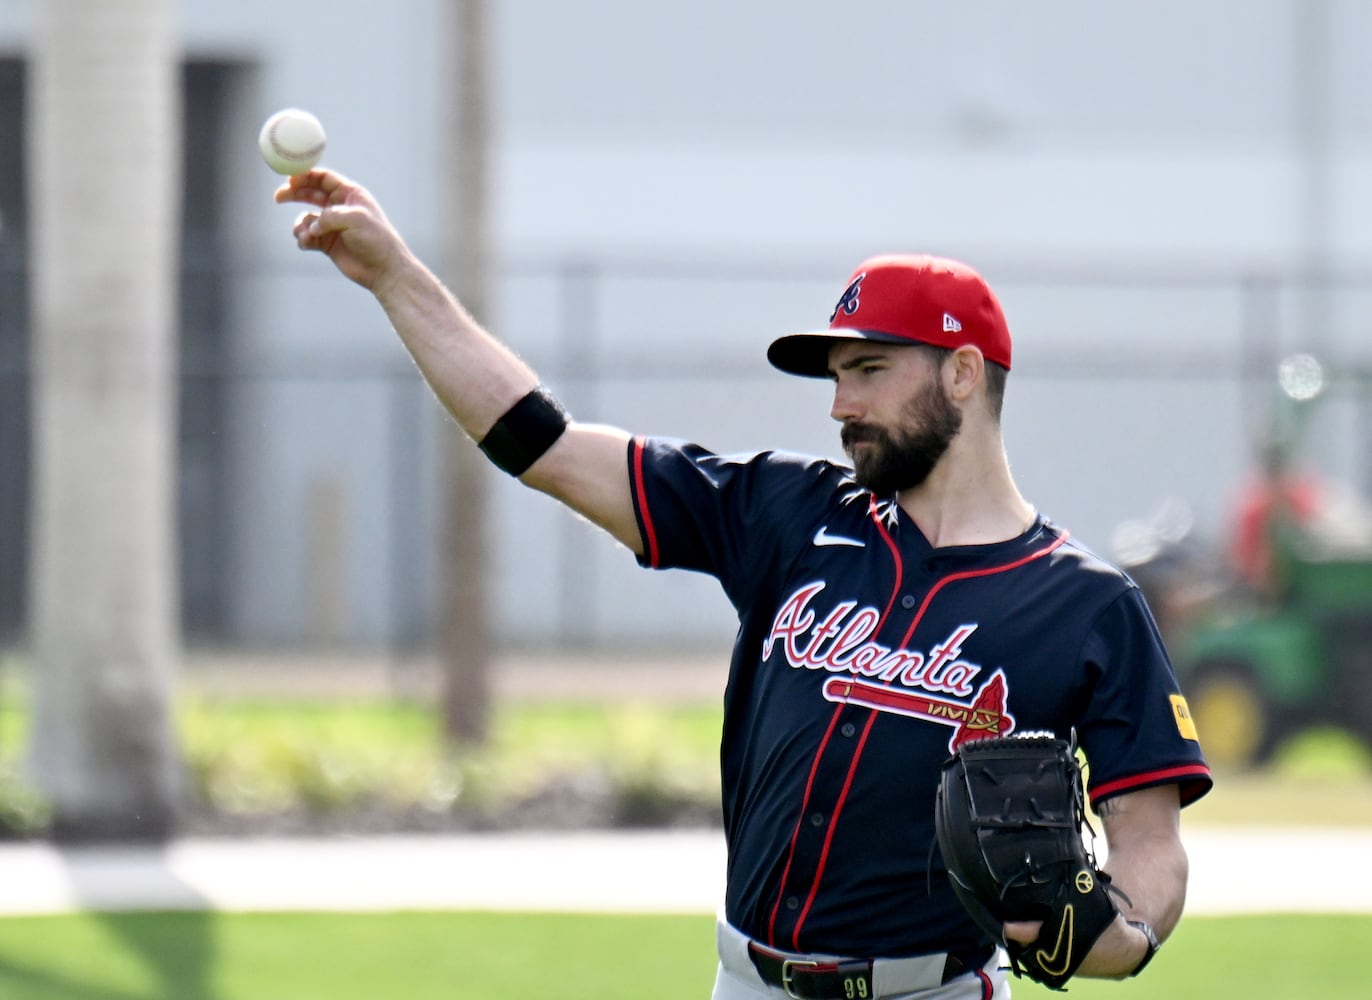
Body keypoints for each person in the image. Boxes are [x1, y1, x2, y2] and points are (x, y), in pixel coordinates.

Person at [276, 170, 1213, 1000]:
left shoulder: (1085, 605)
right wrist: (396, 279)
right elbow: (549, 448)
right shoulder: (784, 512)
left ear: (964, 373)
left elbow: (1149, 837)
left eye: (870, 370)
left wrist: (1119, 939)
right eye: (837, 375)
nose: (840, 402)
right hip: (747, 980)